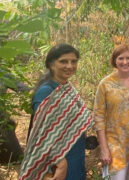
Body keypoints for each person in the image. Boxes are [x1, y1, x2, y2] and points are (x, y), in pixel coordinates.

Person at [20, 44, 93, 180]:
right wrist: (60, 162)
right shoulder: (46, 92)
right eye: (63, 61)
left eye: (74, 61)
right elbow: (42, 135)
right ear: (51, 64)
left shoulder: (66, 88)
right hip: (59, 164)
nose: (70, 66)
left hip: (75, 156)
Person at [93, 44, 129, 180]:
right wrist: (104, 148)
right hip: (115, 144)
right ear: (114, 61)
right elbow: (98, 116)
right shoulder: (105, 84)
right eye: (120, 58)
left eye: (128, 58)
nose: (125, 62)